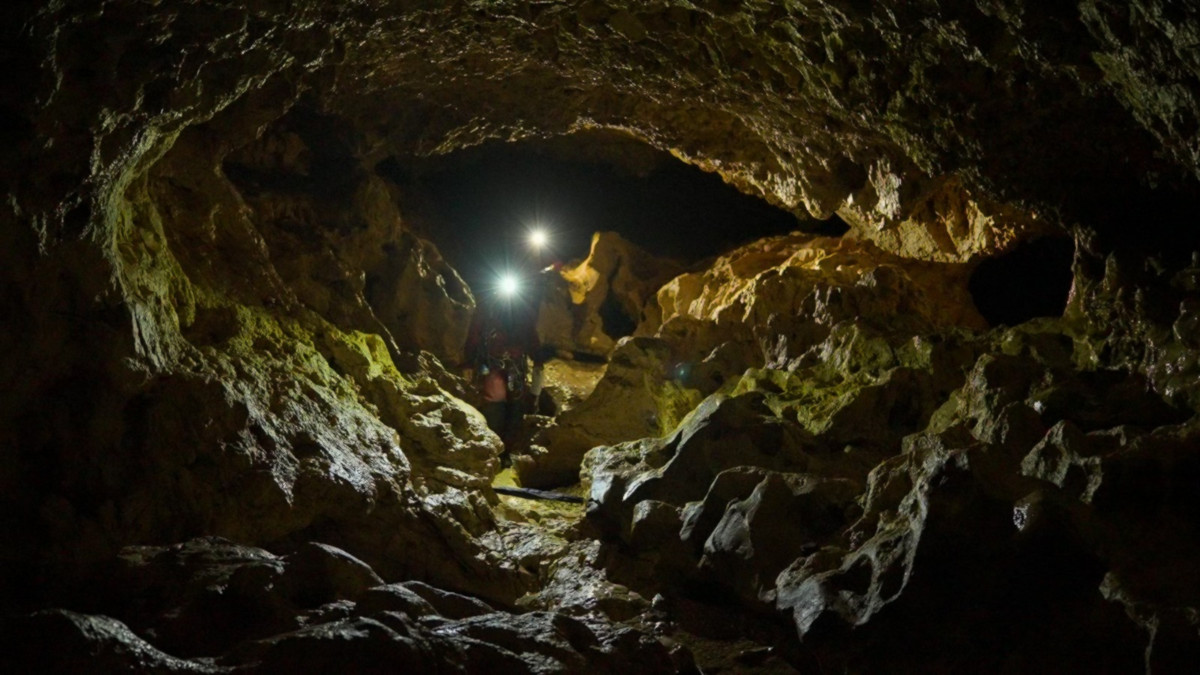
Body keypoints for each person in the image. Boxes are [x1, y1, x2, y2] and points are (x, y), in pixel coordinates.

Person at [464, 289, 541, 453]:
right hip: (493, 371)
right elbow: (474, 339)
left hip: (515, 374)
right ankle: (494, 451)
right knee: (496, 411)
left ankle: (505, 453)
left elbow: (535, 350)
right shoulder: (486, 314)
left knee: (514, 412)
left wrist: (535, 389)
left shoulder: (523, 319)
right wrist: (469, 365)